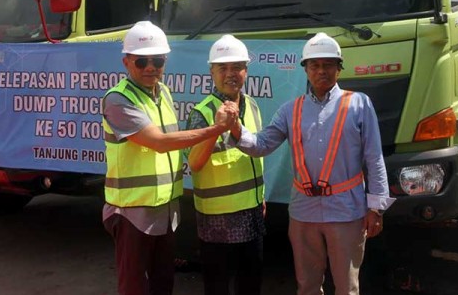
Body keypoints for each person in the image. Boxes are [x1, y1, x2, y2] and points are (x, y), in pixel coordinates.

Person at [228, 32, 395, 295]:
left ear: (339, 68)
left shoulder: (359, 104)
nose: (321, 71)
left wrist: (376, 207)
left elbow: (374, 158)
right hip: (304, 212)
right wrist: (235, 128)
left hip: (346, 212)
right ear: (305, 69)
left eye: (328, 65)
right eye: (314, 65)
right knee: (306, 285)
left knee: (346, 287)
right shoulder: (290, 110)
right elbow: (261, 145)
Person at [102, 21, 239, 295]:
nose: (151, 67)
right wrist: (217, 128)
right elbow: (160, 143)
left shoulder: (162, 92)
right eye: (142, 61)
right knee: (134, 287)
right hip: (132, 212)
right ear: (126, 62)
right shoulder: (118, 100)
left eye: (157, 59)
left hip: (164, 209)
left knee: (163, 283)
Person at [186, 34, 266, 295]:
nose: (230, 74)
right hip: (216, 221)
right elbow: (195, 163)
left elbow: (254, 154)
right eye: (223, 68)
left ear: (246, 70)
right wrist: (217, 128)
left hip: (252, 214)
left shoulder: (252, 105)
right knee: (218, 287)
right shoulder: (202, 113)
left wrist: (259, 197)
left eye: (236, 67)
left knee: (250, 284)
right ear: (212, 72)